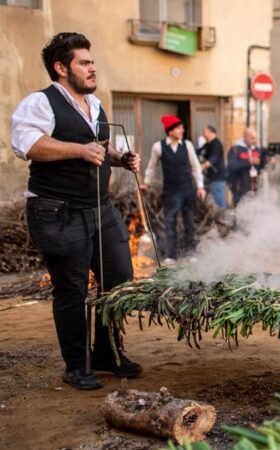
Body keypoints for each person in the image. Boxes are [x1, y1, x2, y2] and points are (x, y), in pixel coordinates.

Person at [10, 32, 143, 389]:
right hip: (57, 210)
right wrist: (79, 150)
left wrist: (119, 158)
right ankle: (76, 364)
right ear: (61, 68)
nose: (92, 68)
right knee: (70, 289)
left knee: (117, 280)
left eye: (92, 62)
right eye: (84, 63)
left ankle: (107, 352)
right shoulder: (39, 103)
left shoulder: (96, 105)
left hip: (99, 208)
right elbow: (31, 146)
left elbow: (100, 147)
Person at [142, 114, 205, 264]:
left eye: (181, 127)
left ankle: (190, 253)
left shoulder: (187, 145)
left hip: (187, 190)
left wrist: (200, 186)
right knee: (170, 222)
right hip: (170, 191)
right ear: (170, 131)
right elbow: (151, 167)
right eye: (178, 128)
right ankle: (171, 255)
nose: (182, 130)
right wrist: (146, 183)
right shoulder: (158, 147)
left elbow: (196, 167)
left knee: (189, 222)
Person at [227, 127, 268, 207]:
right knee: (241, 214)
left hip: (255, 188)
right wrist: (248, 162)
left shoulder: (257, 150)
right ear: (245, 137)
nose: (254, 141)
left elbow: (262, 165)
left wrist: (269, 162)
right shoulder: (235, 150)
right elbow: (231, 166)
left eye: (255, 138)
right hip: (240, 189)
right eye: (252, 138)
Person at [198, 125, 227, 209]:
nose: (203, 133)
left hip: (217, 177)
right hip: (209, 178)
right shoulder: (207, 144)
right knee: (208, 200)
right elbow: (198, 152)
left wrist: (202, 166)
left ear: (210, 132)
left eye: (204, 131)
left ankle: (224, 218)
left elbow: (213, 159)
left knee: (219, 201)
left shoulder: (216, 144)